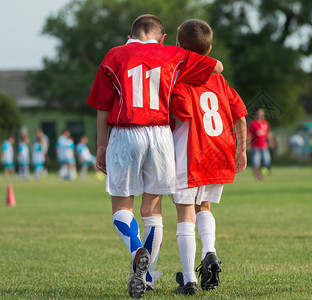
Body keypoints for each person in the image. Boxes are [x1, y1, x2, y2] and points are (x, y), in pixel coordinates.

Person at [86, 14, 223, 299]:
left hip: (126, 132)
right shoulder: (173, 54)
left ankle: (138, 253)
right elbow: (217, 67)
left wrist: (101, 146)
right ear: (162, 37)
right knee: (153, 212)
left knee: (122, 208)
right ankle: (146, 279)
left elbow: (102, 105)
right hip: (161, 135)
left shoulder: (115, 55)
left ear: (131, 33)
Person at [170, 19, 248, 295]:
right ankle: (211, 252)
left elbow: (180, 112)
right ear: (210, 47)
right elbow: (240, 112)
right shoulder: (220, 79)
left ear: (179, 47)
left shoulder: (178, 77)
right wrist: (241, 149)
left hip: (191, 152)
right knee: (204, 207)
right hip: (220, 150)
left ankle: (190, 280)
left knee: (184, 212)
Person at [248, 108, 275, 180]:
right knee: (256, 162)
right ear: (256, 114)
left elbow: (268, 133)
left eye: (262, 114)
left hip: (264, 146)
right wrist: (248, 144)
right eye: (259, 113)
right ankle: (257, 176)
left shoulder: (265, 123)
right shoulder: (253, 123)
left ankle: (261, 173)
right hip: (255, 146)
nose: (261, 115)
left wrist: (271, 141)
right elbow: (249, 135)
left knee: (266, 161)